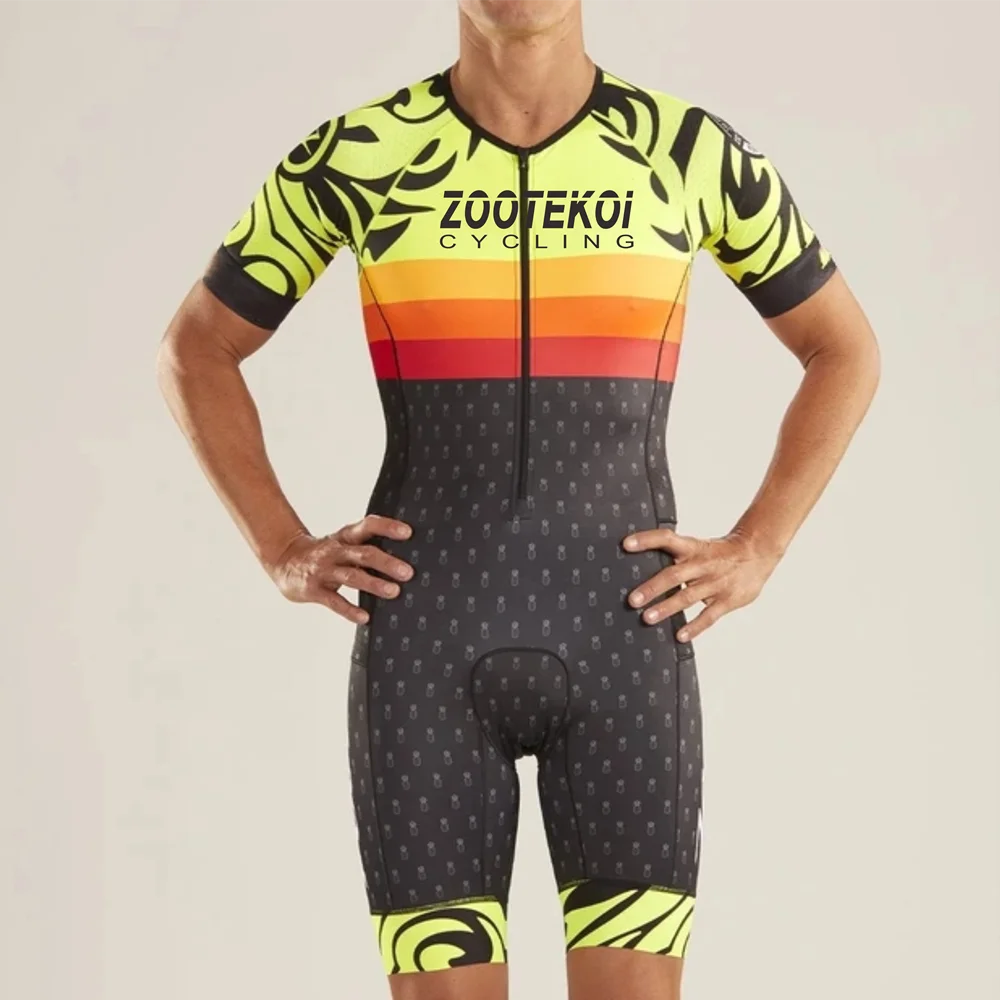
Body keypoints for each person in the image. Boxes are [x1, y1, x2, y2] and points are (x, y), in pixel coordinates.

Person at [157, 1, 880, 997]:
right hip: (427, 653)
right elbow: (197, 346)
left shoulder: (687, 153)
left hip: (623, 642)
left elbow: (843, 348)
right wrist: (278, 544)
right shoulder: (358, 156)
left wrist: (762, 544)